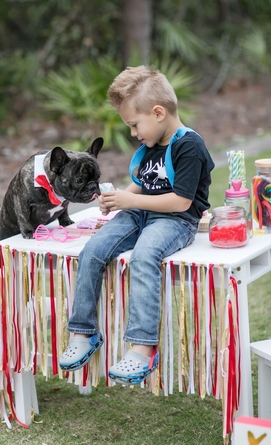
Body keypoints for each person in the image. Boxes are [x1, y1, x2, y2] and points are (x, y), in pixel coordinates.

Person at [58, 66, 215, 385]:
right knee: (93, 250)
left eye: (134, 124)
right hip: (140, 213)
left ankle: (143, 347)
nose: (133, 133)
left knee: (144, 257)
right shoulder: (150, 146)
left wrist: (130, 202)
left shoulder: (189, 146)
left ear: (158, 113)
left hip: (177, 221)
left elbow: (181, 202)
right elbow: (143, 186)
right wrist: (119, 198)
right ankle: (83, 333)